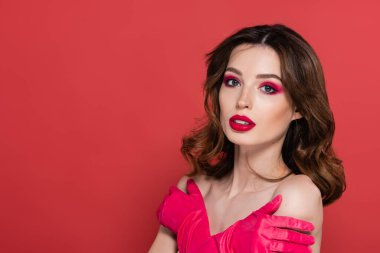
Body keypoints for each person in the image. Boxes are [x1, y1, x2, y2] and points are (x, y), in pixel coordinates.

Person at [148, 24, 346, 253]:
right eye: (233, 82)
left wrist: (211, 244)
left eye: (268, 88)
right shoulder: (192, 189)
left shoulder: (295, 195)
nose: (242, 100)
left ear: (298, 108)